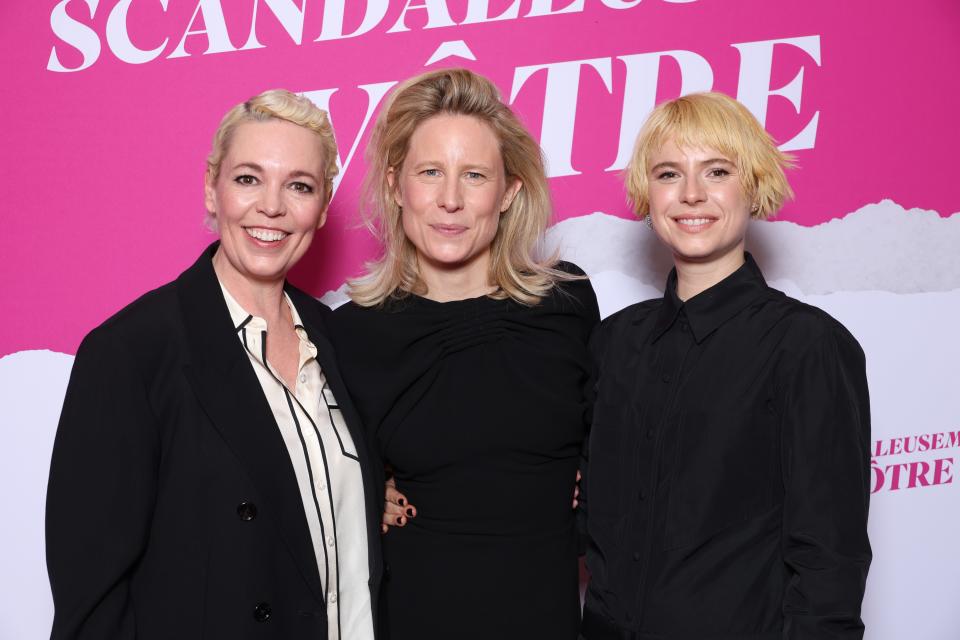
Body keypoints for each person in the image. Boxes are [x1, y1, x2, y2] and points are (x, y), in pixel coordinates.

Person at [45, 90, 384, 640]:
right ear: (212, 186)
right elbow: (92, 603)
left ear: (322, 207)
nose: (271, 207)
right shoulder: (133, 353)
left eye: (299, 186)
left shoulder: (339, 339)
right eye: (248, 178)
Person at [579, 92, 872, 639]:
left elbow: (830, 560)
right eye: (669, 173)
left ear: (754, 188)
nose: (692, 194)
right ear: (648, 195)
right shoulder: (615, 343)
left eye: (717, 171)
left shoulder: (807, 347)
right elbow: (587, 516)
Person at [326, 68, 599, 640]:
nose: (450, 200)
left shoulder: (567, 303)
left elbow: (618, 439)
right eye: (430, 173)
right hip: (413, 617)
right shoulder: (350, 335)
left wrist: (592, 473)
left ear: (509, 192)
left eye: (474, 175)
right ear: (398, 186)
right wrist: (357, 495)